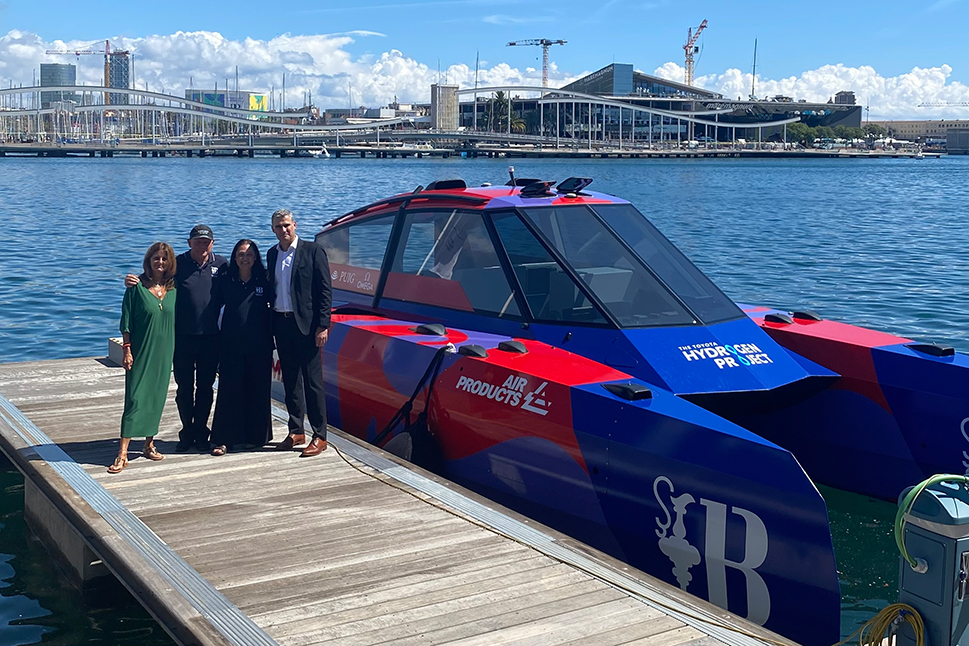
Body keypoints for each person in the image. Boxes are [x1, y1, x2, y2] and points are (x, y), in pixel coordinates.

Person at [126, 225, 227, 452]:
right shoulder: (178, 264)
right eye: (198, 241)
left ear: (212, 243)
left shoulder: (221, 264)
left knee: (205, 387)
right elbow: (156, 277)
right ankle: (186, 433)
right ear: (189, 242)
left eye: (206, 241)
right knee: (184, 388)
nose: (202, 245)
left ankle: (201, 432)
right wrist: (136, 281)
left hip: (211, 336)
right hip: (181, 337)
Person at [266, 209, 332, 457]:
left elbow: (325, 289)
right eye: (278, 227)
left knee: (313, 383)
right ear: (273, 230)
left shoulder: (312, 251)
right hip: (281, 323)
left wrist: (323, 324)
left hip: (307, 325)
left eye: (286, 225)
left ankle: (320, 435)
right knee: (290, 380)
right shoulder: (272, 254)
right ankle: (296, 430)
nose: (283, 230)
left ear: (294, 225)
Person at [111, 242, 177, 474]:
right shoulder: (136, 287)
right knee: (135, 398)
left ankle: (149, 443)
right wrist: (127, 349)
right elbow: (126, 322)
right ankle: (122, 452)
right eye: (156, 258)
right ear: (148, 261)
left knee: (157, 397)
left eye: (164, 259)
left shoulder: (174, 289)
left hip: (165, 350)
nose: (160, 262)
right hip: (140, 350)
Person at [210, 239, 273, 455]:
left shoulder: (264, 280)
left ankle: (255, 438)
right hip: (231, 343)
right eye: (240, 254)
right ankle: (224, 439)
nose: (244, 258)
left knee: (257, 390)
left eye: (248, 254)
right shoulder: (226, 279)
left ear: (255, 258)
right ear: (234, 257)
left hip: (260, 345)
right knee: (229, 390)